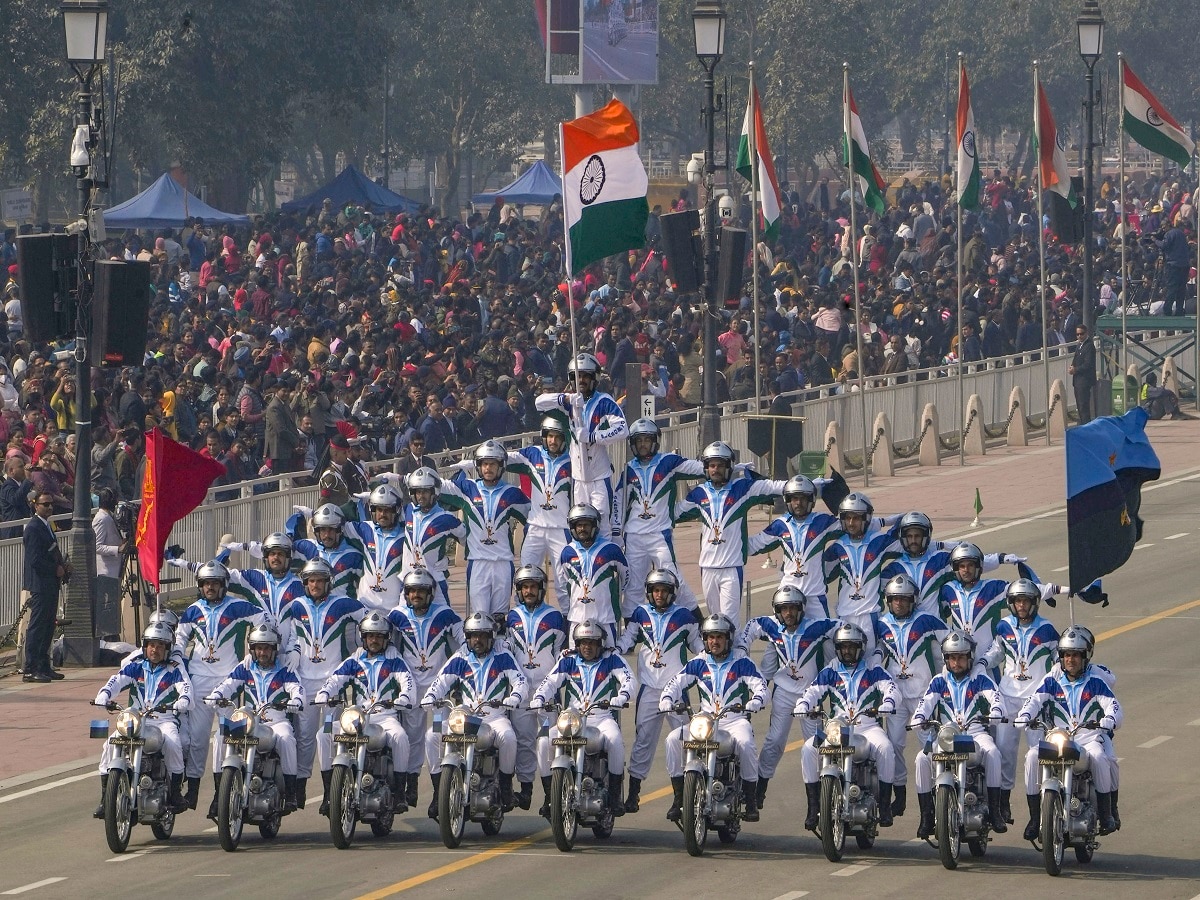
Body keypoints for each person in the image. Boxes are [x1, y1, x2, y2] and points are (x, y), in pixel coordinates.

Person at [173, 560, 265, 814]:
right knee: (197, 739)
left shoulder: (237, 606)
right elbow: (180, 639)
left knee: (226, 739)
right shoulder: (192, 611)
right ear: (200, 586)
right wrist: (178, 658)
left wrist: (252, 651)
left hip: (229, 682)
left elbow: (262, 619)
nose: (210, 588)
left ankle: (220, 794)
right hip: (199, 681)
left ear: (224, 584)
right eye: (205, 584)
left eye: (214, 583)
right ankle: (191, 792)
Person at [736, 586, 838, 810]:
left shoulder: (815, 626)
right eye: (784, 609)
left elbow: (842, 629)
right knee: (774, 742)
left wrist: (839, 657)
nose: (788, 613)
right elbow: (752, 626)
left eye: (793, 608)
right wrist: (742, 648)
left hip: (810, 694)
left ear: (801, 609)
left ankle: (818, 799)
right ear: (777, 611)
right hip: (783, 692)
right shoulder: (772, 625)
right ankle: (757, 792)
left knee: (815, 747)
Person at [1015, 626, 1122, 838]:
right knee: (1031, 756)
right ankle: (1035, 818)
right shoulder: (1052, 681)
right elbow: (1034, 700)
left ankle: (1107, 812)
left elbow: (1113, 706)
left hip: (1088, 738)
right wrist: (1025, 715)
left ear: (1085, 657)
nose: (1070, 660)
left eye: (1075, 655)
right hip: (1058, 738)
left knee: (1101, 758)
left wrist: (1109, 719)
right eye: (1066, 655)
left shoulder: (1096, 681)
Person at [660, 614, 766, 822]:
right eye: (710, 637)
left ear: (728, 639)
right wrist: (666, 698)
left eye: (719, 637)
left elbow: (760, 686)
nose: (714, 642)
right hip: (704, 721)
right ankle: (679, 797)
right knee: (672, 739)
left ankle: (751, 800)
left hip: (734, 720)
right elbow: (676, 682)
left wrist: (757, 700)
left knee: (746, 743)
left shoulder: (742, 662)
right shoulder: (699, 662)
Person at [280, 558, 366, 816]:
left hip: (332, 682)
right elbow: (294, 637)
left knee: (328, 736)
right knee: (304, 737)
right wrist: (294, 650)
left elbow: (369, 620)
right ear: (305, 583)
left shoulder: (343, 603)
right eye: (311, 581)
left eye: (319, 580)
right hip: (305, 681)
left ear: (329, 582)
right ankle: (299, 789)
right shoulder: (296, 606)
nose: (315, 585)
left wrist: (359, 647)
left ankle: (331, 792)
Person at [794, 623, 899, 830]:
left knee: (886, 748)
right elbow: (812, 691)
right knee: (808, 748)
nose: (848, 651)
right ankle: (813, 806)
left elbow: (892, 688)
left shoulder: (873, 669)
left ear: (861, 648)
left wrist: (888, 703)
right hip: (836, 728)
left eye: (852, 646)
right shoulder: (830, 670)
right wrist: (803, 704)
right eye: (843, 647)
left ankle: (885, 806)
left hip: (867, 727)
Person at [421, 611, 527, 814]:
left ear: (491, 636)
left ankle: (505, 787)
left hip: (494, 716)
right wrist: (430, 696)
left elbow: (519, 681)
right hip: (464, 716)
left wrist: (514, 698)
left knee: (509, 737)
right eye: (473, 636)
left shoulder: (503, 656)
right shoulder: (460, 657)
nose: (477, 640)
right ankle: (438, 792)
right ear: (467, 638)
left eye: (482, 635)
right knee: (432, 734)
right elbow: (440, 681)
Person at [615, 569, 703, 813]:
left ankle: (683, 795)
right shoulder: (641, 613)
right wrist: (612, 649)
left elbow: (697, 645)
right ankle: (633, 795)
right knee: (643, 740)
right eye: (655, 590)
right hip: (649, 689)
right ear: (649, 592)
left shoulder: (684, 616)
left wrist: (714, 650)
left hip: (676, 689)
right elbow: (627, 639)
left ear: (673, 593)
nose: (660, 594)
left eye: (664, 590)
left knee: (686, 739)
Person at [676, 441, 785, 629]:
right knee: (714, 623)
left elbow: (772, 486)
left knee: (729, 622)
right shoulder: (698, 494)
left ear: (729, 466)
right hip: (707, 567)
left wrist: (806, 486)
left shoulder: (742, 488)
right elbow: (673, 513)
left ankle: (735, 656)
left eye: (720, 465)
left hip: (732, 568)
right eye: (711, 465)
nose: (715, 469)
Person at [908, 630, 1007, 837]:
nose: (956, 663)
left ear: (970, 657)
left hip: (976, 733)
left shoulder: (981, 678)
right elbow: (925, 703)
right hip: (947, 736)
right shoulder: (938, 681)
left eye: (961, 657)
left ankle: (995, 811)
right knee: (921, 759)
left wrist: (996, 712)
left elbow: (996, 699)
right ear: (946, 659)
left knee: (994, 754)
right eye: (952, 658)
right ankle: (926, 816)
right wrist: (919, 718)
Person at [531, 618, 635, 817]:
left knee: (615, 741)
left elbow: (629, 680)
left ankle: (614, 797)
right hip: (572, 719)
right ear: (577, 644)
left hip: (602, 718)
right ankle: (549, 796)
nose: (587, 647)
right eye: (583, 643)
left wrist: (622, 697)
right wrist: (539, 697)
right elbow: (550, 682)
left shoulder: (611, 659)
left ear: (600, 644)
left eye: (592, 643)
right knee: (543, 739)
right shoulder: (568, 660)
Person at [314, 611, 415, 813]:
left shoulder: (394, 661)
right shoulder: (354, 661)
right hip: (356, 717)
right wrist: (324, 692)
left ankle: (400, 795)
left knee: (401, 737)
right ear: (363, 638)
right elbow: (335, 679)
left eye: (378, 636)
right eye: (370, 636)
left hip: (385, 717)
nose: (374, 640)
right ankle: (328, 793)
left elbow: (408, 682)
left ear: (386, 638)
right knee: (323, 733)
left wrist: (404, 698)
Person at [870, 574, 950, 822]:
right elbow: (880, 647)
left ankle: (936, 799)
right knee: (894, 746)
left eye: (904, 599)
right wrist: (875, 655)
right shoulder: (882, 623)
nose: (899, 604)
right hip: (896, 695)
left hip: (922, 694)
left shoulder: (926, 620)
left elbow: (951, 643)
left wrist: (944, 677)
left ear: (913, 600)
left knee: (929, 748)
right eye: (894, 599)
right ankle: (900, 795)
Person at [981, 578, 1060, 829]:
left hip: (1036, 700)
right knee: (1004, 751)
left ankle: (1037, 813)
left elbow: (1059, 657)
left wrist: (1053, 678)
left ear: (1035, 603)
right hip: (1007, 696)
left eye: (1026, 601)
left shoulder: (1047, 629)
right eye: (1017, 601)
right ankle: (1002, 804)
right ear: (1011, 603)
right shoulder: (1004, 626)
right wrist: (982, 663)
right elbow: (996, 652)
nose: (1022, 605)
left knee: (1038, 756)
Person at [93, 622, 192, 817]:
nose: (155, 650)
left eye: (160, 646)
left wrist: (184, 700)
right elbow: (117, 680)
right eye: (151, 645)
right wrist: (104, 694)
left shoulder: (175, 670)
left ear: (167, 649)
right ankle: (106, 799)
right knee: (109, 745)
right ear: (145, 646)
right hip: (135, 718)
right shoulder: (135, 667)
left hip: (163, 720)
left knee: (173, 744)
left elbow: (186, 687)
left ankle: (175, 793)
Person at [203, 623, 304, 813]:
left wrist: (297, 700)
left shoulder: (285, 669)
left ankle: (291, 793)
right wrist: (216, 695)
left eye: (266, 648)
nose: (263, 652)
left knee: (287, 740)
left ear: (274, 649)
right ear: (253, 649)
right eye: (258, 648)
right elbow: (228, 684)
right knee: (219, 737)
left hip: (276, 722)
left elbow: (297, 689)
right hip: (247, 721)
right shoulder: (246, 667)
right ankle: (219, 793)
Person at [387, 569, 464, 814]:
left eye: (421, 591)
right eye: (411, 591)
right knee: (412, 738)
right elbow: (386, 648)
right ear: (406, 594)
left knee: (438, 739)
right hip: (409, 686)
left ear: (431, 593)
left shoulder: (445, 614)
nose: (416, 595)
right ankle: (409, 786)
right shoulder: (396, 616)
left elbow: (465, 642)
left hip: (439, 687)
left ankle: (438, 792)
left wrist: (457, 677)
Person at [612, 418, 705, 617]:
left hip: (660, 535)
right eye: (639, 441)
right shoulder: (628, 469)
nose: (643, 444)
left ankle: (698, 625)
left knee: (673, 578)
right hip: (634, 536)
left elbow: (701, 468)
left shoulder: (668, 462)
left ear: (655, 441)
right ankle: (633, 636)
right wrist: (616, 533)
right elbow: (618, 502)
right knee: (633, 587)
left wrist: (730, 467)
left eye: (647, 439)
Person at [535, 353, 629, 536]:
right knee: (580, 523)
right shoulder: (568, 404)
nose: (581, 380)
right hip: (578, 477)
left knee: (602, 524)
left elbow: (622, 429)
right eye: (577, 376)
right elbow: (539, 403)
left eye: (586, 376)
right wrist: (566, 399)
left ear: (595, 378)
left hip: (599, 476)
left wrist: (593, 436)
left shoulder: (604, 401)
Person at [439, 440, 530, 623]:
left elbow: (533, 521)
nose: (488, 468)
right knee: (479, 618)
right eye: (485, 464)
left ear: (501, 466)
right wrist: (405, 478)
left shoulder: (512, 492)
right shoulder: (467, 488)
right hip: (478, 562)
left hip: (503, 562)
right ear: (478, 466)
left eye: (493, 464)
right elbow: (436, 486)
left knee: (499, 617)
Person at [502, 565, 568, 813]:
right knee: (524, 740)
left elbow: (562, 653)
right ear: (518, 590)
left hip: (547, 692)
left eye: (533, 586)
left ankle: (551, 795)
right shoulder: (511, 617)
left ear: (542, 588)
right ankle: (526, 790)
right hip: (520, 692)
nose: (529, 591)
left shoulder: (555, 617)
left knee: (547, 742)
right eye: (524, 587)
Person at [881, 511, 1020, 616]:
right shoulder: (894, 568)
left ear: (926, 536)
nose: (913, 540)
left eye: (917, 536)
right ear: (903, 538)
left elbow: (970, 564)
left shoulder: (939, 560)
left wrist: (1000, 558)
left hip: (936, 628)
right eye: (909, 536)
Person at [747, 475, 840, 617]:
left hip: (815, 597)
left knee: (824, 638)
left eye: (803, 498)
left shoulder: (823, 522)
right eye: (794, 498)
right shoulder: (780, 525)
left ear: (811, 500)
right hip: (788, 598)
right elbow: (751, 546)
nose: (798, 503)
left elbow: (853, 525)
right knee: (786, 638)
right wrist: (729, 535)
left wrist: (883, 522)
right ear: (787, 500)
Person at [505, 417, 573, 609]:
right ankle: (521, 622)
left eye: (557, 437)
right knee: (525, 577)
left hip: (561, 529)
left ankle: (567, 626)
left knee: (563, 582)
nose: (553, 441)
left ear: (564, 438)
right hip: (535, 527)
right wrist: (473, 462)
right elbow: (500, 457)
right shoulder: (532, 454)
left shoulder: (573, 460)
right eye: (549, 436)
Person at [821, 492, 902, 649]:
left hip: (869, 614)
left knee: (868, 661)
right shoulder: (837, 546)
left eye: (856, 518)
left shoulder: (878, 540)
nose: (851, 523)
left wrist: (894, 521)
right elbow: (823, 573)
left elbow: (909, 543)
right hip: (844, 613)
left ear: (866, 518)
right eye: (848, 518)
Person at [557, 502, 629, 647]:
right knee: (577, 663)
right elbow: (564, 583)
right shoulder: (567, 552)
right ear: (573, 528)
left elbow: (626, 576)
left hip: (606, 618)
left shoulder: (611, 549)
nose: (582, 529)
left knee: (608, 661)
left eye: (586, 525)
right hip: (577, 618)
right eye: (579, 525)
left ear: (595, 526)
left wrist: (613, 596)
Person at [394, 467, 465, 606]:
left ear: (435, 491)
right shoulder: (407, 511)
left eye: (425, 491)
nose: (421, 496)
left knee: (442, 622)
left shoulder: (447, 518)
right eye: (418, 491)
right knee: (405, 624)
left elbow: (468, 539)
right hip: (409, 581)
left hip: (435, 582)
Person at [21, 491, 68, 682]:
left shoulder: (46, 525)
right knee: (38, 626)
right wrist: (54, 569)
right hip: (41, 583)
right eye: (45, 504)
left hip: (50, 583)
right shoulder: (33, 528)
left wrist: (62, 567)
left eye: (51, 504)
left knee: (49, 625)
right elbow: (35, 560)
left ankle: (43, 664)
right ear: (35, 506)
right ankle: (30, 668)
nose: (49, 507)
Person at [92, 487, 124, 640]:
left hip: (113, 569)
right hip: (106, 570)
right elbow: (96, 546)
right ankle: (108, 638)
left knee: (113, 607)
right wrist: (117, 549)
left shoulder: (108, 517)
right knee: (108, 607)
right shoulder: (101, 519)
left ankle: (112, 636)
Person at [1069, 324, 1096, 424]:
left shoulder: (1089, 346)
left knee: (1084, 406)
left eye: (1081, 334)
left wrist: (1076, 369)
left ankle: (1086, 426)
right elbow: (1076, 358)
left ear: (1086, 333)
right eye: (1077, 334)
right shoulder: (1079, 345)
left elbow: (1088, 364)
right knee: (1080, 406)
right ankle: (1082, 424)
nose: (1079, 336)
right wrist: (1072, 367)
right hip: (1077, 381)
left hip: (1085, 381)